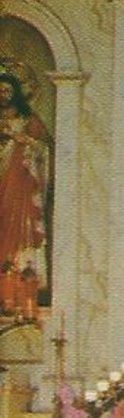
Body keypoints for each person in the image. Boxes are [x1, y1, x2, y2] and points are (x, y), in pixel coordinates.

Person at [0, 72, 50, 304]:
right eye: (0, 90)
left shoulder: (28, 119)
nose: (3, 94)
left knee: (14, 219)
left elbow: (43, 147)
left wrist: (19, 137)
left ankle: (16, 274)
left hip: (17, 180)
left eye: (7, 90)